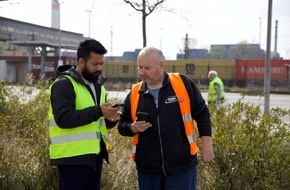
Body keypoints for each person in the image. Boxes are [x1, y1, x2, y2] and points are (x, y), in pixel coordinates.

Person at [118, 46, 214, 190]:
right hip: (147, 171)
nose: (142, 73)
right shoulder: (135, 93)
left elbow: (202, 113)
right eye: (140, 67)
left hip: (182, 168)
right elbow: (122, 125)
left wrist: (207, 145)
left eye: (147, 68)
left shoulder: (182, 83)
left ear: (161, 65)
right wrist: (132, 127)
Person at [48, 39, 122, 190]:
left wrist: (111, 119)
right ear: (81, 61)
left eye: (101, 64)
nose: (99, 68)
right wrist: (99, 111)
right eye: (95, 64)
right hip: (71, 159)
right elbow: (63, 119)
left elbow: (96, 121)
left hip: (94, 157)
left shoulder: (99, 86)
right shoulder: (64, 84)